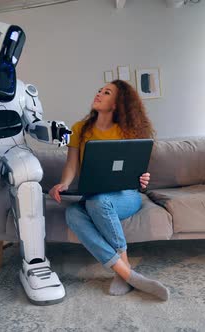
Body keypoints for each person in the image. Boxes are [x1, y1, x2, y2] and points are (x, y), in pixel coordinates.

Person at [48, 80, 169, 301]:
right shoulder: (78, 129)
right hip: (93, 195)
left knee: (98, 201)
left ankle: (123, 268)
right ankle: (127, 273)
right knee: (72, 213)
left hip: (127, 195)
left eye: (106, 92)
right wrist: (64, 183)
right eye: (99, 90)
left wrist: (142, 177)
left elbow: (137, 171)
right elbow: (71, 165)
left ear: (116, 103)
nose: (99, 93)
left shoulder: (128, 131)